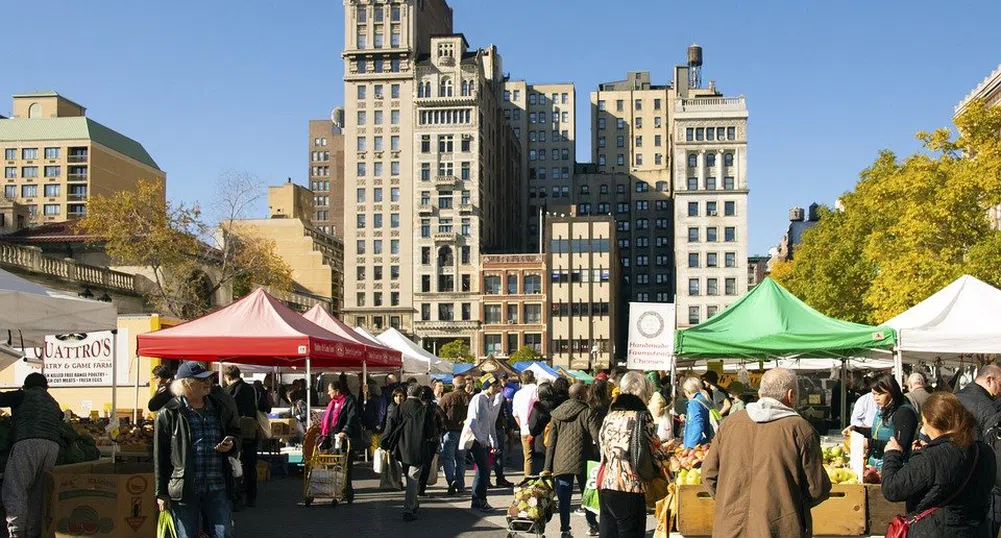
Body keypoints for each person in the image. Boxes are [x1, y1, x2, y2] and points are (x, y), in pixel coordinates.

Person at [702, 368, 831, 537]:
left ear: (761, 392)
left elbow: (708, 474)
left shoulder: (730, 423)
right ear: (791, 395)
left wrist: (730, 502)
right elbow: (816, 489)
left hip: (730, 528)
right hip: (779, 530)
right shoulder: (800, 429)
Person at [881, 392, 997, 538]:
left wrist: (892, 454)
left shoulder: (932, 456)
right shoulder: (985, 451)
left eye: (924, 422)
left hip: (935, 530)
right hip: (976, 531)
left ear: (933, 422)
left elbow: (892, 488)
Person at [154, 362, 241, 538]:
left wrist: (232, 444)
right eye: (201, 379)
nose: (207, 382)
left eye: (208, 378)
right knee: (187, 535)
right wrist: (160, 493)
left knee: (223, 534)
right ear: (186, 384)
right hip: (185, 488)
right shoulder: (168, 413)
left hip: (217, 483)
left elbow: (236, 432)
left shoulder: (219, 407)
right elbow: (160, 457)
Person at [596, 372, 669, 538]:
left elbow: (603, 447)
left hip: (607, 485)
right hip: (630, 487)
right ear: (641, 393)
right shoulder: (641, 416)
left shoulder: (610, 416)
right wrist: (667, 463)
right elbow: (656, 450)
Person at [0, 373, 63, 538]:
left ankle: (17, 531)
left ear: (25, 385)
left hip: (28, 441)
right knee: (38, 492)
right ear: (46, 387)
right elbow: (61, 417)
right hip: (52, 445)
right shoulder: (53, 402)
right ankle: (34, 532)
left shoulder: (22, 395)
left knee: (16, 488)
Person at [544, 382, 600, 538]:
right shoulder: (587, 412)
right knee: (587, 494)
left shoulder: (556, 413)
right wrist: (602, 457)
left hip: (561, 461)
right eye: (586, 392)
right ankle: (592, 524)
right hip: (584, 460)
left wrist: (547, 467)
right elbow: (596, 436)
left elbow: (551, 444)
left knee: (564, 499)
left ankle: (565, 530)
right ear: (581, 396)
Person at [956, 364, 1001, 536]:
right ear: (990, 380)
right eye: (1000, 384)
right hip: (983, 487)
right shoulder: (989, 409)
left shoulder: (954, 398)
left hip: (956, 479)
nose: (1000, 391)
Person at [844, 374, 918, 469]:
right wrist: (856, 429)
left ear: (891, 392)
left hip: (894, 467)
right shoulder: (885, 408)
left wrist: (870, 443)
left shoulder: (904, 413)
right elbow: (879, 431)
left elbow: (901, 445)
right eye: (874, 394)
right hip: (876, 466)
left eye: (880, 394)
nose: (876, 398)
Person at [384, 383, 433, 521]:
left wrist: (384, 444)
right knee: (413, 478)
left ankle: (413, 503)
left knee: (409, 477)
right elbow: (430, 433)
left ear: (407, 392)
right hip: (418, 448)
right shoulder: (425, 410)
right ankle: (408, 509)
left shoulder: (399, 408)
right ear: (420, 394)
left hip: (401, 448)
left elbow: (389, 428)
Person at [222, 366, 263, 509]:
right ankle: (252, 497)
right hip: (251, 431)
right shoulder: (252, 389)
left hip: (234, 432)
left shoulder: (226, 392)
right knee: (250, 465)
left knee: (233, 464)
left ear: (227, 377)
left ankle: (237, 497)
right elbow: (264, 406)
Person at [464, 374, 502, 512]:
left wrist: (494, 442)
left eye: (497, 386)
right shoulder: (478, 398)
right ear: (486, 386)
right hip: (476, 439)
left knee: (483, 469)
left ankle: (477, 500)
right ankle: (480, 499)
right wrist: (481, 439)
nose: (496, 388)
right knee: (484, 469)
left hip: (484, 440)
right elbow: (472, 421)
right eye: (493, 386)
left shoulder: (489, 400)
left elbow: (491, 423)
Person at [320, 379, 361, 502]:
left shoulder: (349, 400)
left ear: (337, 391)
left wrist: (345, 431)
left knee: (345, 466)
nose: (328, 393)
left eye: (330, 391)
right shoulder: (332, 403)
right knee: (335, 465)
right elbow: (328, 419)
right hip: (333, 438)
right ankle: (337, 489)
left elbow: (352, 417)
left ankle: (346, 491)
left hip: (345, 439)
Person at [438, 374, 471, 495]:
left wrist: (443, 424)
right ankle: (461, 484)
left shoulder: (447, 397)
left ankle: (451, 481)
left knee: (448, 459)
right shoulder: (469, 398)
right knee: (461, 459)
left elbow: (439, 412)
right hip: (464, 432)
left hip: (449, 431)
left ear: (453, 385)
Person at [513, 370, 539, 477]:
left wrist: (522, 426)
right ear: (533, 378)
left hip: (524, 429)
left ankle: (527, 481)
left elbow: (515, 414)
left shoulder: (518, 394)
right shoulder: (536, 390)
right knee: (540, 456)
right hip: (538, 428)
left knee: (528, 458)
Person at [418, 386, 443, 496]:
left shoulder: (416, 407)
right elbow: (442, 422)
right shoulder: (434, 407)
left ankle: (416, 487)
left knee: (417, 464)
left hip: (418, 439)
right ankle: (421, 488)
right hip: (432, 439)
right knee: (426, 465)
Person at [528, 382, 557, 475]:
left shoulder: (538, 407)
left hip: (540, 441)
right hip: (555, 440)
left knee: (539, 469)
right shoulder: (557, 406)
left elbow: (533, 426)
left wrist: (532, 434)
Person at [492, 374, 515, 488]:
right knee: (498, 453)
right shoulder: (501, 397)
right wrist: (510, 424)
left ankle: (485, 479)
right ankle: (499, 478)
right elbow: (506, 413)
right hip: (498, 427)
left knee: (488, 454)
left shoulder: (483, 397)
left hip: (487, 428)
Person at [682, 377, 714, 448]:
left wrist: (690, 446)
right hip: (707, 442)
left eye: (684, 391)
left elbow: (698, 425)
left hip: (698, 445)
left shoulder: (694, 403)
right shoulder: (705, 399)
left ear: (688, 391)